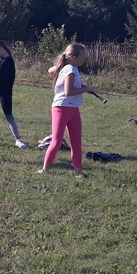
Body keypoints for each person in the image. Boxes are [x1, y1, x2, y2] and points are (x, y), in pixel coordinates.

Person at [40, 43, 94, 179]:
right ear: (74, 57)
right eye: (83, 56)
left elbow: (51, 70)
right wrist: (86, 89)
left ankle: (78, 173)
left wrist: (60, 68)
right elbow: (68, 91)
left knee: (76, 142)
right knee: (57, 141)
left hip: (73, 109)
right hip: (61, 108)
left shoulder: (68, 67)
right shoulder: (70, 69)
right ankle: (45, 169)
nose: (85, 58)